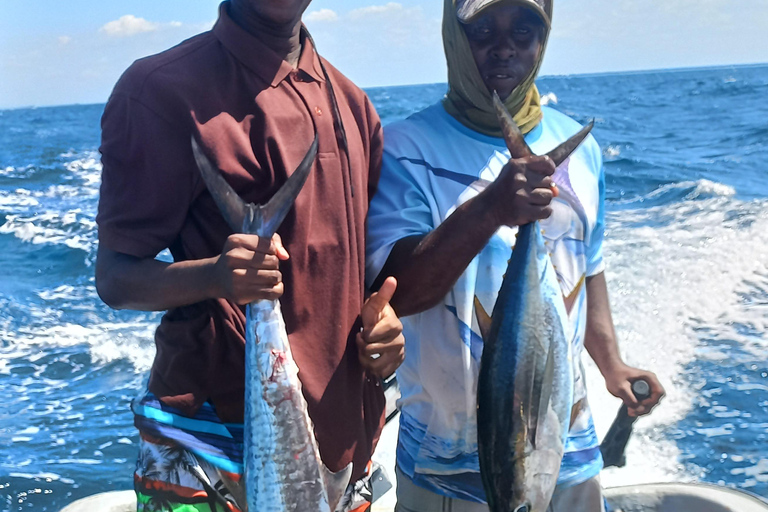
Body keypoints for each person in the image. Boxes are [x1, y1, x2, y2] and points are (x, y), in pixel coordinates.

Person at [95, 1, 405, 511]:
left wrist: (383, 328)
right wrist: (217, 276)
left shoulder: (352, 103)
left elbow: (352, 269)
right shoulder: (157, 90)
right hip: (211, 449)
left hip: (345, 448)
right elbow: (116, 277)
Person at [365, 0, 665, 511]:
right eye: (483, 30)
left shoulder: (582, 151)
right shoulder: (402, 149)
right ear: (454, 39)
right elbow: (400, 292)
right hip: (444, 471)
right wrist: (492, 209)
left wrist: (611, 364)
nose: (505, 46)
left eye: (523, 31)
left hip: (570, 450)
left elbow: (585, 268)